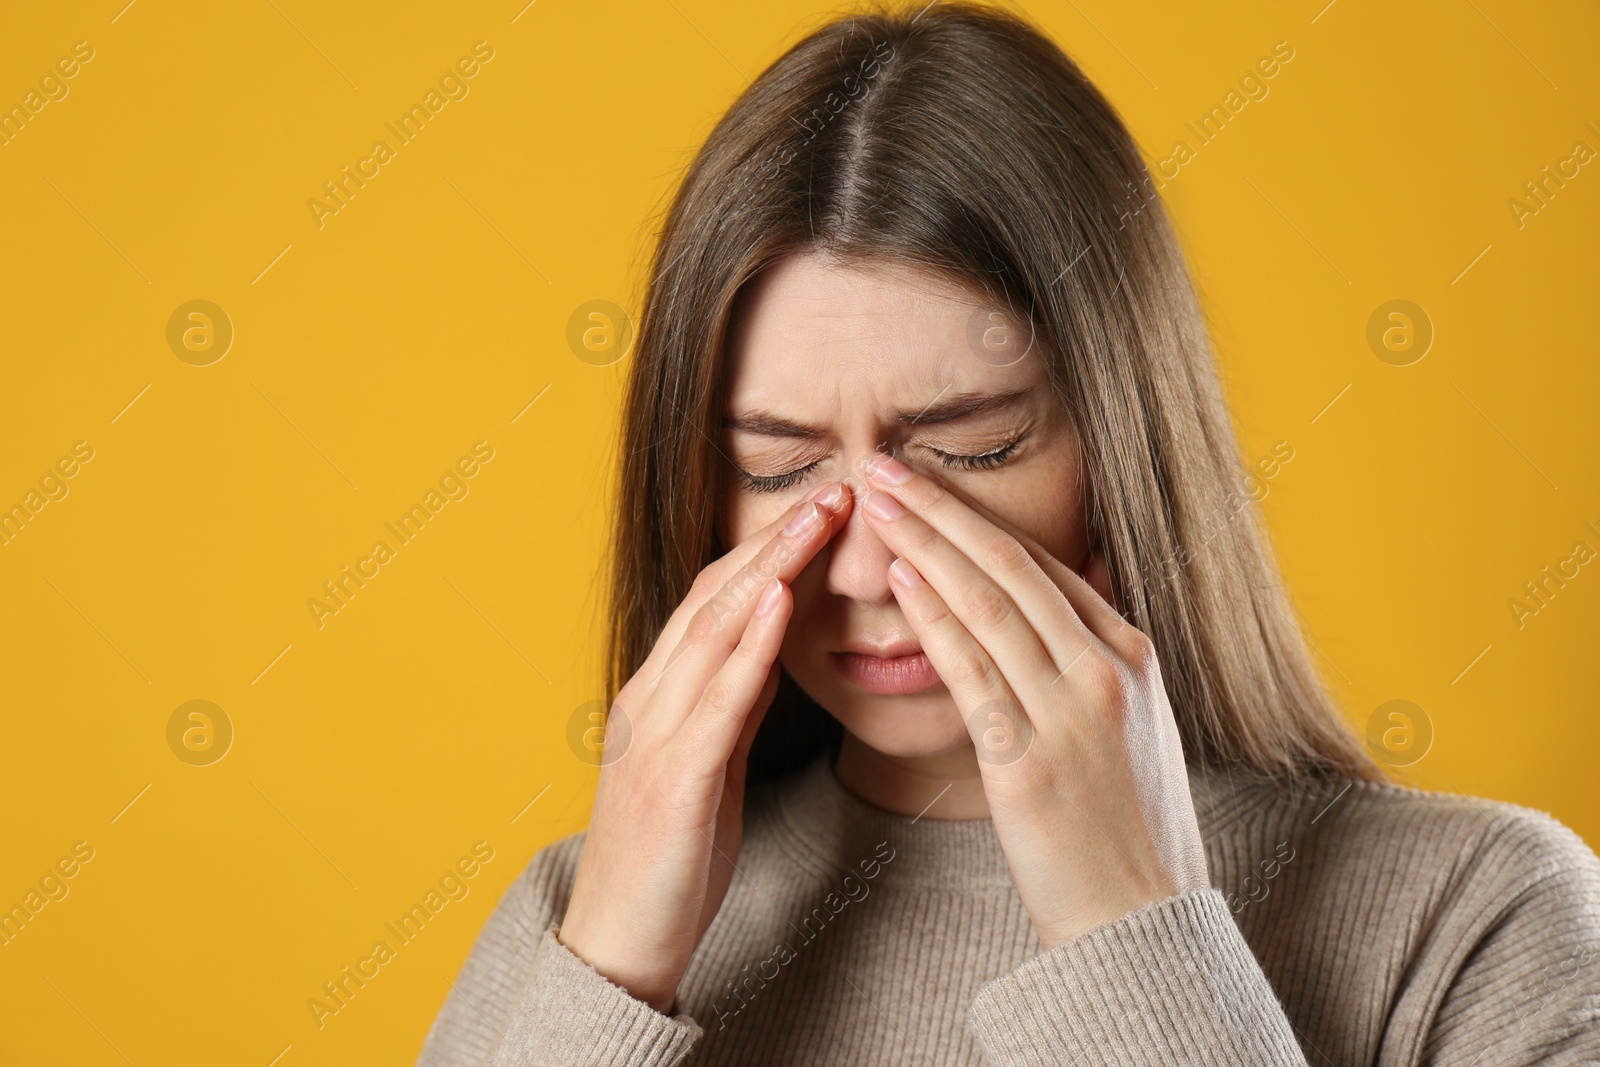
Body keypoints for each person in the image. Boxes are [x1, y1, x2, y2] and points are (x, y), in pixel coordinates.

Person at [417, 3, 1600, 1063]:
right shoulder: (567, 926)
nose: (871, 567)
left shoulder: (1480, 916)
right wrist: (608, 978)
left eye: (972, 451)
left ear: (1127, 446)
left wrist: (1134, 941)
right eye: (778, 467)